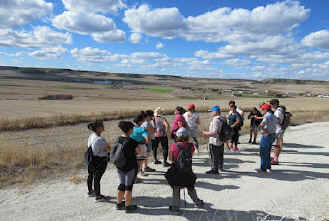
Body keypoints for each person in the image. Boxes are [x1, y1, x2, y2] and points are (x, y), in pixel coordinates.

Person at [166, 127, 204, 212]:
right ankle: (197, 202)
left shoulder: (174, 146)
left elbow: (171, 159)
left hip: (176, 170)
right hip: (188, 170)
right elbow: (191, 156)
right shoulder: (191, 146)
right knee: (190, 187)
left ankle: (175, 206)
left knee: (176, 188)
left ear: (178, 136)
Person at [115, 121, 141, 212]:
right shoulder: (132, 141)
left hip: (120, 165)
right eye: (132, 128)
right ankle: (128, 206)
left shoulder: (118, 139)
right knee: (128, 187)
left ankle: (118, 204)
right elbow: (139, 151)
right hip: (130, 166)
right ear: (130, 129)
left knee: (121, 184)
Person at [87, 120, 112, 201]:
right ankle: (98, 196)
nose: (103, 127)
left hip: (91, 158)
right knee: (97, 178)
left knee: (91, 175)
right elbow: (108, 149)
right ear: (98, 128)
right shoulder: (100, 139)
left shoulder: (91, 135)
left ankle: (91, 191)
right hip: (100, 160)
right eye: (101, 126)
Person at [202, 105, 225, 174]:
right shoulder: (222, 118)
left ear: (216, 111)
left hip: (214, 141)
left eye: (212, 111)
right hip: (221, 140)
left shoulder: (215, 120)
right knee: (220, 155)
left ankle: (214, 169)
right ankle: (220, 166)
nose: (211, 112)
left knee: (214, 155)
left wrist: (205, 133)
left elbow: (214, 132)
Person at [130, 112, 150, 182]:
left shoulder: (131, 129)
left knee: (133, 163)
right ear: (140, 121)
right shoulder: (142, 129)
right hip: (141, 147)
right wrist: (144, 142)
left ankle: (133, 177)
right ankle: (135, 178)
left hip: (132, 147)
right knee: (139, 164)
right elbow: (147, 138)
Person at [257, 104, 276, 173]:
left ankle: (263, 168)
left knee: (263, 152)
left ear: (265, 109)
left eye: (262, 109)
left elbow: (261, 125)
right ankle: (268, 167)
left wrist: (265, 131)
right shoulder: (273, 116)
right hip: (272, 135)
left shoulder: (267, 116)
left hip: (266, 136)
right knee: (267, 152)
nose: (261, 111)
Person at [269, 99, 284, 165]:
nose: (271, 106)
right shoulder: (280, 110)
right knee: (277, 145)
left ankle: (275, 159)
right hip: (278, 130)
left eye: (271, 104)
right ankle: (275, 158)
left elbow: (279, 120)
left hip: (277, 130)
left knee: (276, 145)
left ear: (275, 104)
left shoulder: (278, 111)